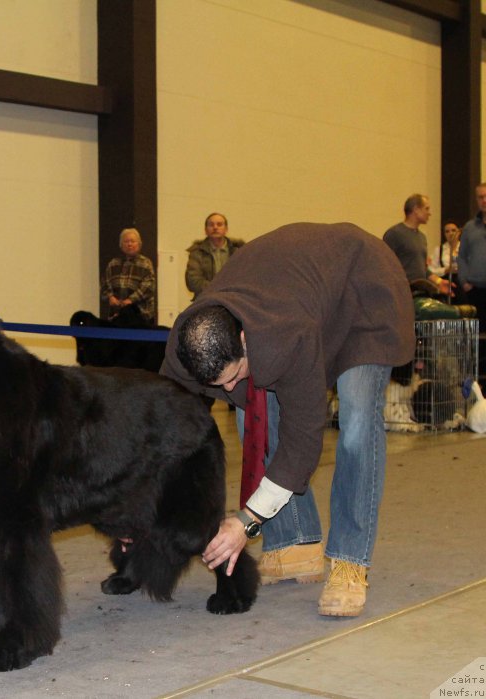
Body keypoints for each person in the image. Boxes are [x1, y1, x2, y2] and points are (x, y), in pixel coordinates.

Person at [161, 223, 414, 617]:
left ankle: (350, 559)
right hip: (306, 294)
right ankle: (296, 542)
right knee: (252, 417)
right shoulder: (187, 343)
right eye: (217, 384)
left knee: (358, 419)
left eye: (233, 375)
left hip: (364, 290)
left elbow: (303, 440)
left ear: (243, 340)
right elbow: (164, 423)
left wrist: (246, 520)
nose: (228, 388)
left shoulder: (285, 337)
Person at [383, 194, 452, 296]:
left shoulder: (422, 237)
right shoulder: (394, 234)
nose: (429, 213)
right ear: (416, 209)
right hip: (402, 292)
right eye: (426, 209)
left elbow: (422, 268)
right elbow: (385, 264)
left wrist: (439, 281)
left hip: (420, 291)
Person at [101, 227, 156, 326]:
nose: (129, 244)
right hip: (117, 317)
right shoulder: (113, 264)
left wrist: (130, 300)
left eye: (132, 241)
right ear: (121, 245)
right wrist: (110, 297)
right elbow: (105, 283)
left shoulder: (146, 264)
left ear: (139, 244)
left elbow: (148, 287)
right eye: (126, 241)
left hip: (141, 317)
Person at [458, 183, 486, 380]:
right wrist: (463, 280)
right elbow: (461, 256)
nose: (483, 200)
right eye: (480, 197)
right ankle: (477, 377)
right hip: (475, 290)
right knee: (476, 335)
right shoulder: (469, 228)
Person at [185, 213, 244, 299]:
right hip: (205, 301)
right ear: (205, 230)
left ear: (226, 229)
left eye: (219, 224)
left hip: (233, 301)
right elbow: (193, 282)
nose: (215, 227)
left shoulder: (238, 251)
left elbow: (244, 278)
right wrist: (220, 289)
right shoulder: (197, 252)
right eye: (211, 225)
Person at [429, 221, 465, 304]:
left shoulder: (464, 247)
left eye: (453, 230)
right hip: (447, 282)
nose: (450, 233)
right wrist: (445, 270)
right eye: (447, 231)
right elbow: (431, 270)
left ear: (458, 233)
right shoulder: (439, 250)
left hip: (462, 283)